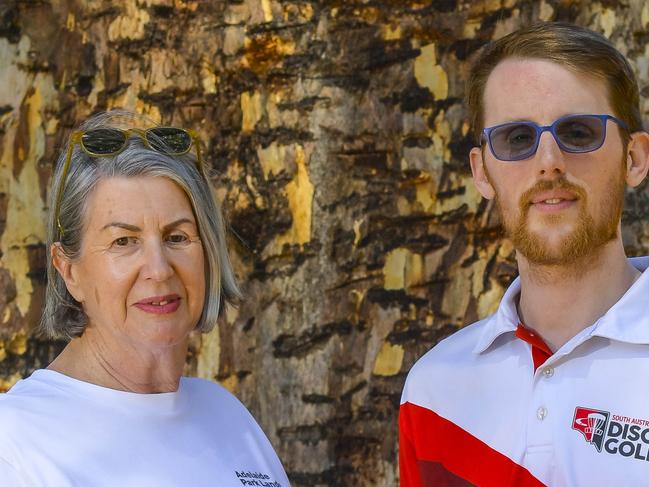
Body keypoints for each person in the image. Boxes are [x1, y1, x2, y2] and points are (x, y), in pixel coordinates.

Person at [399, 22, 649, 486]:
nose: (548, 160)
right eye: (517, 138)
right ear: (482, 172)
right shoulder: (433, 391)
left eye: (579, 131)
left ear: (633, 159)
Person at [0, 110, 290, 486]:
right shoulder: (17, 443)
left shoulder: (227, 416)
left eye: (177, 237)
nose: (159, 268)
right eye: (124, 241)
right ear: (68, 269)